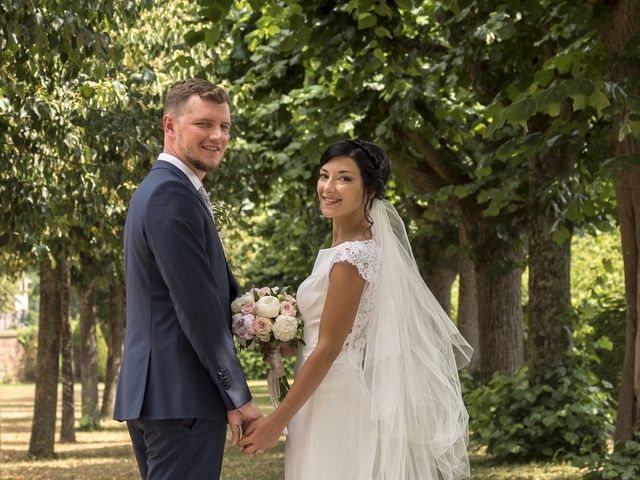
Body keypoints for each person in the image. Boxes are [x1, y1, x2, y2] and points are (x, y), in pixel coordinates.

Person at [239, 139, 473, 479]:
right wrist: (281, 339)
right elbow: (323, 334)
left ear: (370, 191)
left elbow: (331, 347)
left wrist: (276, 422)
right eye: (324, 175)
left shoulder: (353, 258)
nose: (328, 187)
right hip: (317, 394)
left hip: (332, 397)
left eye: (344, 178)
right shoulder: (342, 250)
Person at [113, 78, 261, 480]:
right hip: (181, 395)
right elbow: (195, 307)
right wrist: (237, 394)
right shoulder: (170, 194)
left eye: (225, 127)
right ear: (170, 125)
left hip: (164, 394)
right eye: (204, 124)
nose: (218, 136)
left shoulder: (165, 188)